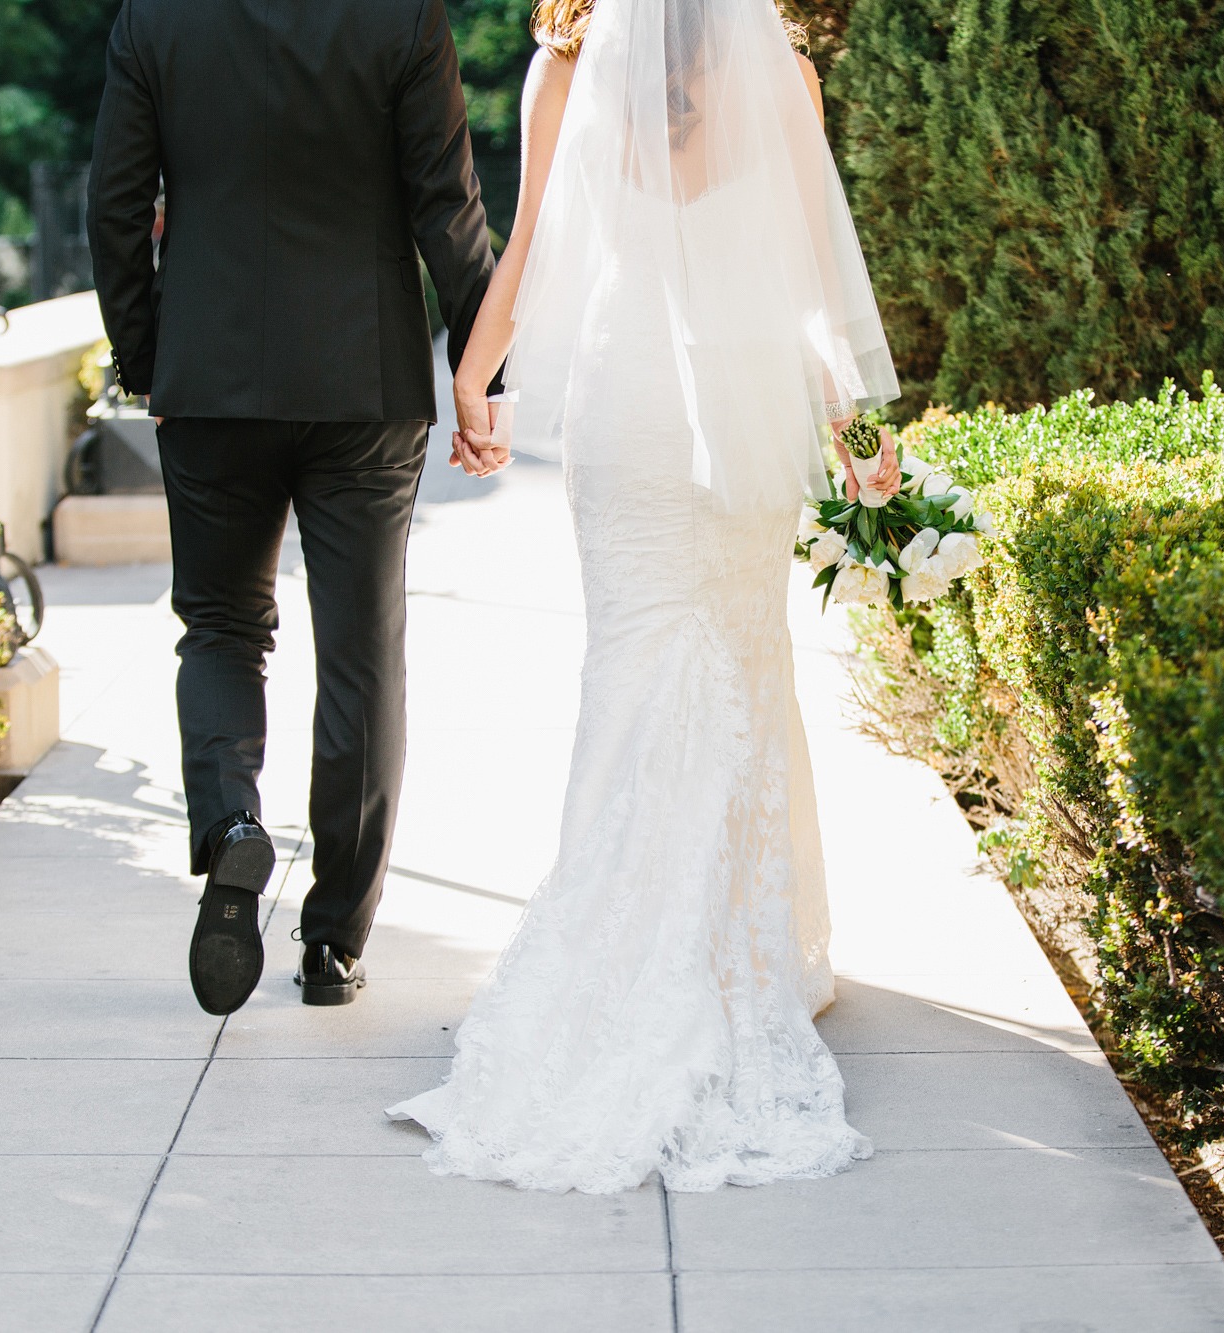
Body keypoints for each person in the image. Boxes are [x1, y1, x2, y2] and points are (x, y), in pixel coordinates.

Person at [384, 0, 902, 1192]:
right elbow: (816, 282)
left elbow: (525, 253)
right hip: (752, 401)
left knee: (630, 666)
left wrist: (471, 382)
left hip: (628, 409)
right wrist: (853, 426)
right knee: (742, 658)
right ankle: (743, 956)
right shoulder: (784, 73)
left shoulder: (564, 68)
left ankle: (618, 951)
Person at [86, 0, 509, 1016]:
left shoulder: (155, 22)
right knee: (361, 652)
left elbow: (111, 207)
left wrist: (151, 358)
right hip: (362, 380)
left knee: (222, 627)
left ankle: (231, 825)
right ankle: (332, 942)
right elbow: (444, 204)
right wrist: (484, 369)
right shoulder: (404, 20)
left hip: (209, 372)